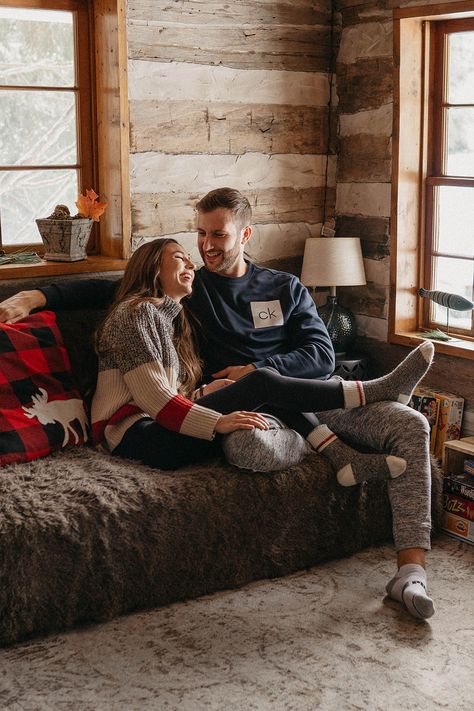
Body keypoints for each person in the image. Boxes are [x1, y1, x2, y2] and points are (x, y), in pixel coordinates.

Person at [0, 188, 436, 621]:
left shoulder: (284, 286)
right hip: (249, 411)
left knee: (411, 423)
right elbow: (117, 289)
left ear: (245, 234)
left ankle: (410, 571)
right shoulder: (190, 290)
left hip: (316, 392)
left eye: (219, 235)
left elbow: (321, 355)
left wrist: (255, 368)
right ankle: (336, 444)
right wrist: (36, 296)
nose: (206, 246)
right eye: (201, 234)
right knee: (251, 446)